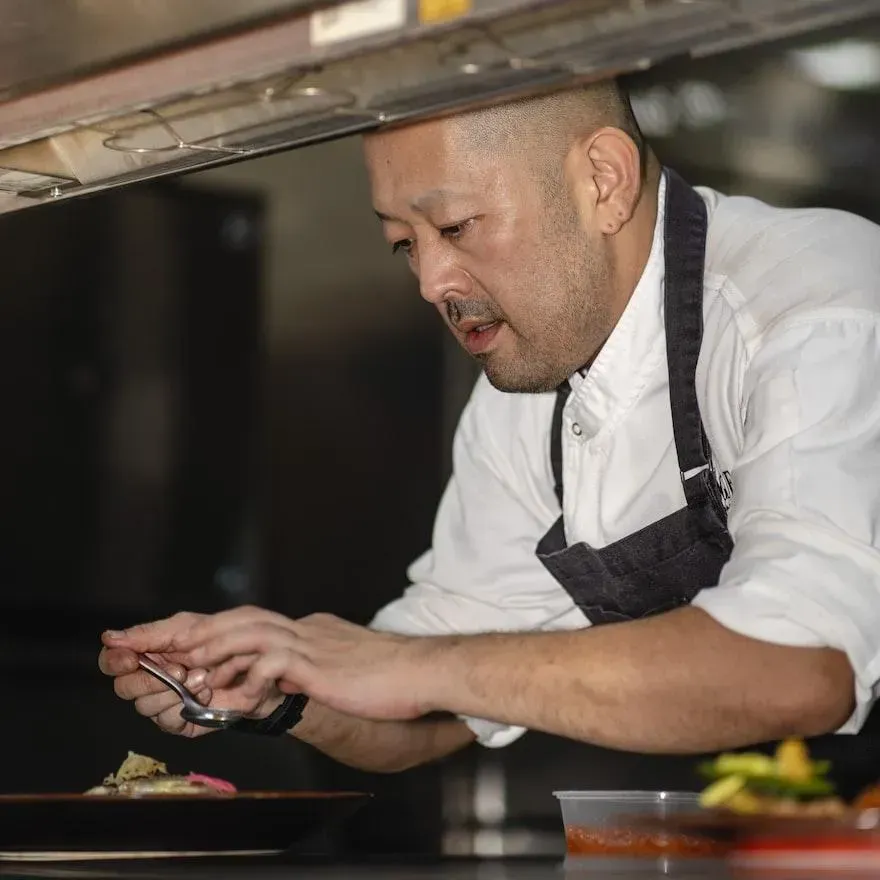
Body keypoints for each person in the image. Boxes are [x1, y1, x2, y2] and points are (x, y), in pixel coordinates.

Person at [100, 78, 880, 777]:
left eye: (457, 226)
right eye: (405, 244)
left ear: (603, 181)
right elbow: (433, 709)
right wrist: (281, 687)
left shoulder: (816, 309)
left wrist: (415, 666)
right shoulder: (527, 394)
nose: (430, 282)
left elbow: (802, 667)